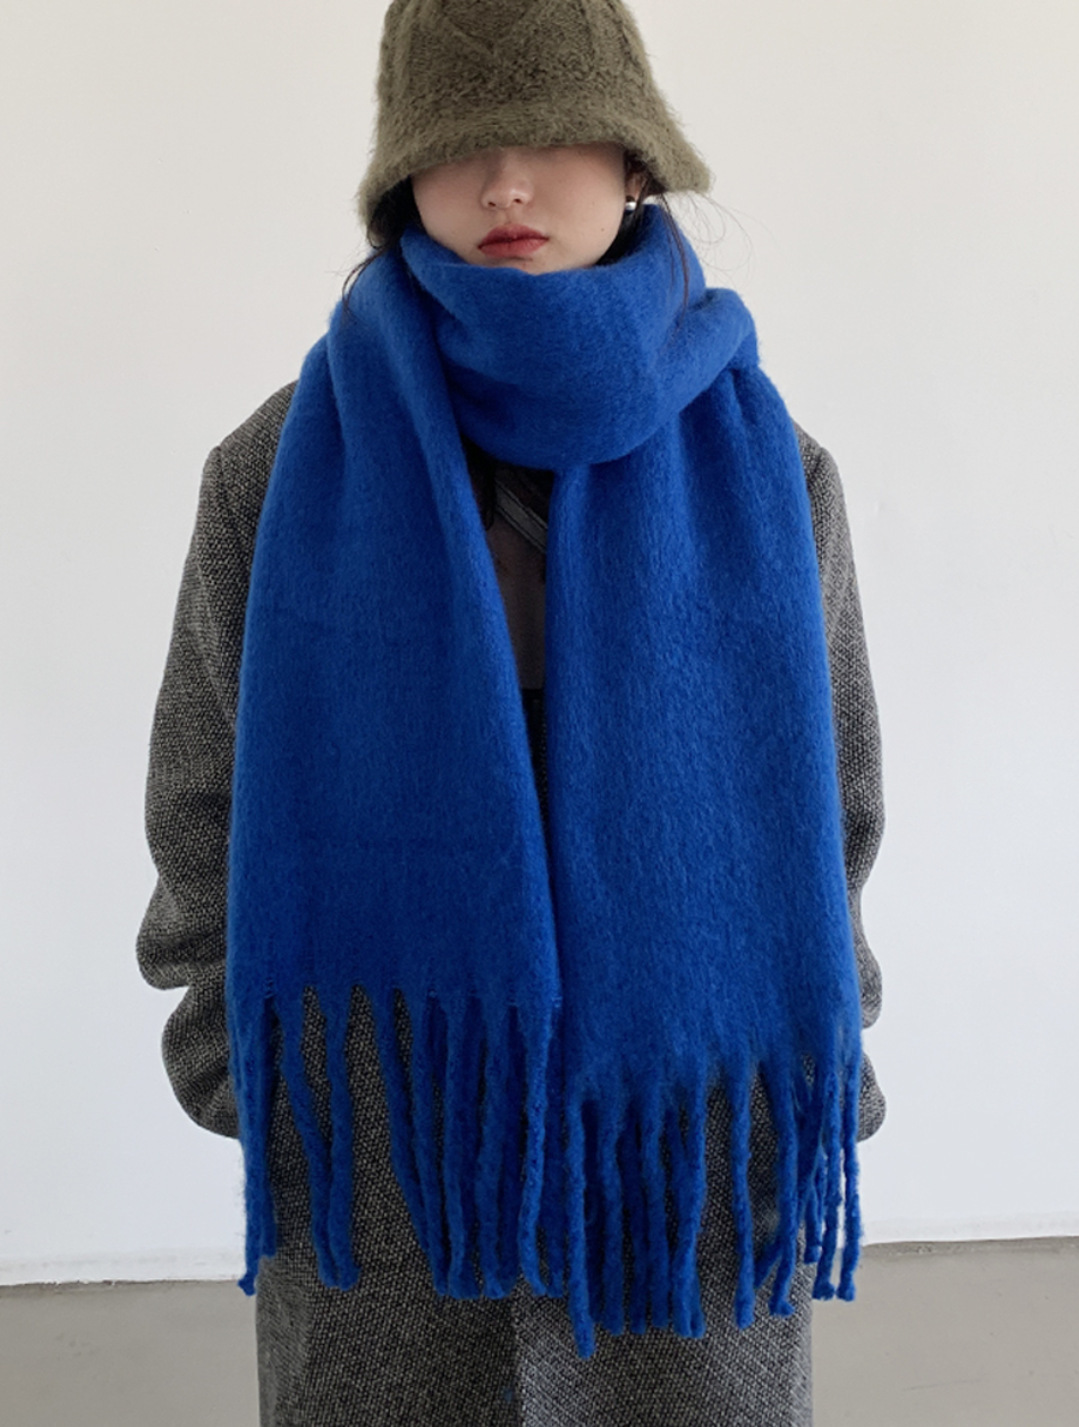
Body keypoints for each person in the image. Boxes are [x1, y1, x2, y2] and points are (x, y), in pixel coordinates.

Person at [137, 1, 887, 1422]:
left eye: (552, 135)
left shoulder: (771, 473)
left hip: (684, 1154)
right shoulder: (279, 470)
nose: (506, 185)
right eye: (460, 143)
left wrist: (816, 1047)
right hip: (393, 1154)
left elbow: (836, 808)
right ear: (400, 177)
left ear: (638, 161)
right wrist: (255, 1076)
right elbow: (199, 803)